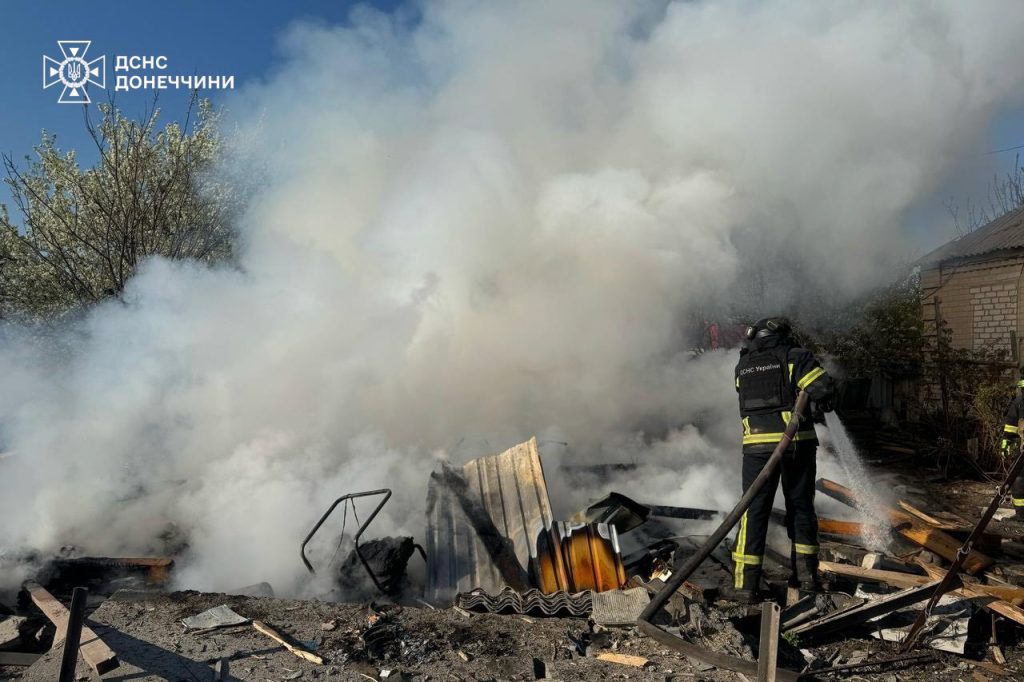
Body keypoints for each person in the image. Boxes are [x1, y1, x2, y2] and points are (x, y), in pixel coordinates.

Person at [730, 317, 836, 602]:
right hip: (796, 446)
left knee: (753, 511)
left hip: (755, 448)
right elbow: (822, 387)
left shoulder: (744, 364)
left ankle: (744, 585)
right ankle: (806, 577)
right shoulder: (795, 357)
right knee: (800, 507)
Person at [999, 374, 1024, 518]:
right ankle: (1021, 515)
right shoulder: (1019, 403)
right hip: (1023, 451)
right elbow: (1011, 426)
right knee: (1019, 481)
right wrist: (1005, 443)